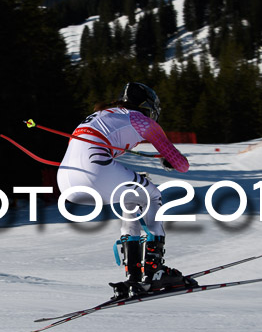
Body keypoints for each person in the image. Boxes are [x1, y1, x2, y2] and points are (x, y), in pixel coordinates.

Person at [56, 82, 197, 299]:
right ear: (148, 107)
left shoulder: (102, 114)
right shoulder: (142, 120)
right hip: (95, 171)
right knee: (153, 195)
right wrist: (168, 159)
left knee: (132, 197)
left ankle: (134, 276)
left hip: (65, 180)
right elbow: (182, 165)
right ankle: (154, 270)